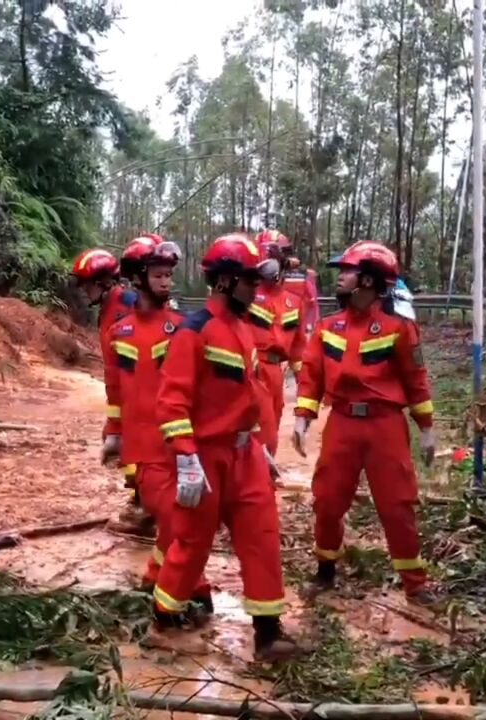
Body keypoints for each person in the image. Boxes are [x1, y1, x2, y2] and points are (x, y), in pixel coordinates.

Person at [154, 233, 299, 662]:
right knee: (193, 542)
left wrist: (258, 442)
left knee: (262, 536)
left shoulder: (245, 327)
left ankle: (268, 634)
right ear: (223, 282)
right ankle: (163, 617)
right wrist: (185, 458)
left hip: (244, 452)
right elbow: (172, 401)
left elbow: (249, 391)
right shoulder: (193, 331)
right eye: (249, 281)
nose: (257, 289)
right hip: (206, 454)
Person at [292, 240, 441, 607]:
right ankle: (325, 571)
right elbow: (311, 375)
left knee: (397, 504)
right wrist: (302, 417)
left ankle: (415, 585)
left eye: (347, 271)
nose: (340, 277)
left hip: (385, 426)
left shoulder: (399, 328)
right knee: (327, 500)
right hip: (342, 423)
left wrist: (426, 427)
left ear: (370, 281)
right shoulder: (329, 327)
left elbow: (415, 378)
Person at [102, 236, 211, 613]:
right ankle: (193, 591)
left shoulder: (185, 328)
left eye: (169, 274)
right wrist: (112, 434)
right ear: (136, 278)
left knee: (179, 523)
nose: (166, 281)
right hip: (143, 451)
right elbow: (114, 388)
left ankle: (159, 582)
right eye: (158, 274)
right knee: (176, 522)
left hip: (179, 445)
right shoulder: (119, 333)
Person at [73, 247, 152, 536]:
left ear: (105, 282)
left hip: (142, 395)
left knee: (139, 453)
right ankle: (142, 504)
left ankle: (146, 511)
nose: (83, 290)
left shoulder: (128, 306)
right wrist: (114, 423)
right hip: (126, 396)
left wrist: (119, 424)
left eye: (87, 284)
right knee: (128, 453)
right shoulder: (109, 310)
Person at [248, 231, 305, 458]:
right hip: (251, 368)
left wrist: (303, 383)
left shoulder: (293, 301)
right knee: (259, 427)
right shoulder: (246, 295)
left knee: (274, 421)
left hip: (275, 372)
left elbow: (298, 348)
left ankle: (263, 473)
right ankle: (256, 478)